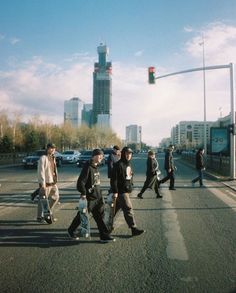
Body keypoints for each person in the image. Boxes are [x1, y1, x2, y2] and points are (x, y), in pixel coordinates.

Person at [68, 148, 115, 243]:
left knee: (100, 218)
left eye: (102, 155)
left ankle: (104, 236)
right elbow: (80, 182)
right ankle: (71, 230)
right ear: (93, 156)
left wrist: (100, 197)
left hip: (97, 198)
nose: (101, 157)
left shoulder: (96, 166)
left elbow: (96, 183)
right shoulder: (88, 167)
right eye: (99, 155)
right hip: (90, 198)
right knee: (82, 216)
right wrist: (83, 193)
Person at [111, 146, 145, 236]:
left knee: (114, 210)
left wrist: (131, 185)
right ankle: (133, 229)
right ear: (123, 154)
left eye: (130, 154)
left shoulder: (128, 164)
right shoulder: (118, 165)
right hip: (121, 191)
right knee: (128, 208)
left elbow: (129, 176)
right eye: (127, 154)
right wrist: (115, 191)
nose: (128, 155)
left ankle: (105, 224)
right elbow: (114, 180)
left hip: (126, 189)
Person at [37, 143, 60, 223]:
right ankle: (40, 217)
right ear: (47, 149)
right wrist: (42, 184)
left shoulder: (53, 157)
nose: (53, 150)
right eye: (51, 148)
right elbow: (41, 171)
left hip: (53, 183)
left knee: (55, 197)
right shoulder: (43, 158)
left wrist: (56, 180)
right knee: (42, 200)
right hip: (46, 183)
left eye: (54, 148)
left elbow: (54, 170)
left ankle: (48, 213)